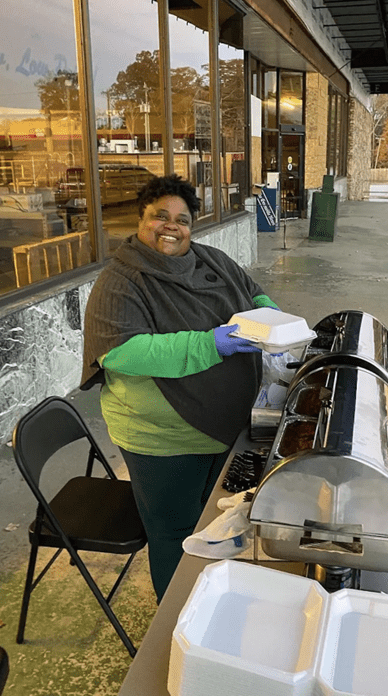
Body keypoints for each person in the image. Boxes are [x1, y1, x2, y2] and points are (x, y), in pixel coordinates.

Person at [80, 174, 279, 602]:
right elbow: (123, 353)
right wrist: (211, 344)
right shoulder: (121, 281)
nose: (171, 226)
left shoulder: (211, 260)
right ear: (141, 220)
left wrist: (272, 319)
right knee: (173, 531)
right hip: (163, 439)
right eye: (159, 216)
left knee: (212, 519)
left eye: (181, 219)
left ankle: (208, 597)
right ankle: (175, 615)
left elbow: (253, 293)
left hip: (225, 423)